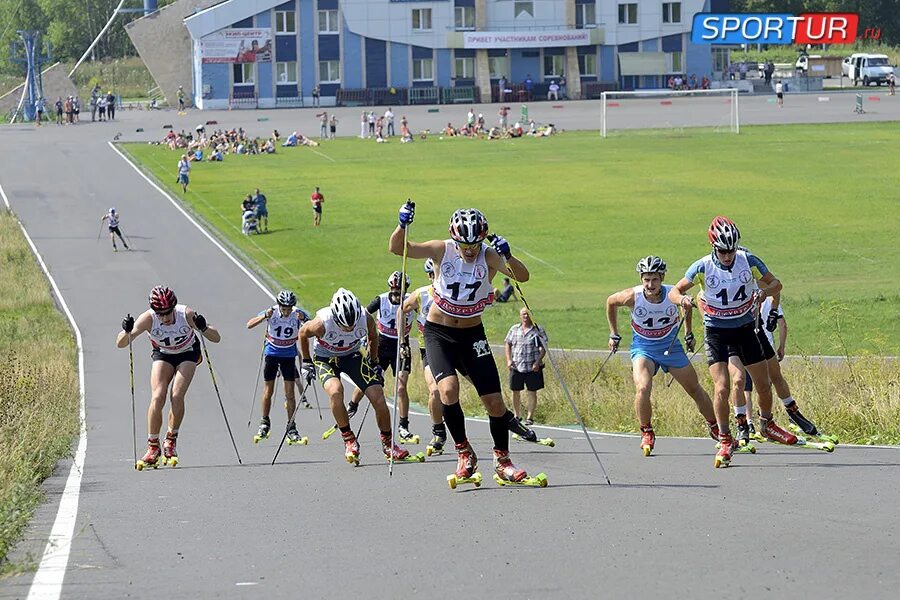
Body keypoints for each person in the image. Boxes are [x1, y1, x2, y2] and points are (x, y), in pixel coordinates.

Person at [389, 203, 543, 484]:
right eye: (464, 243)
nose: (470, 249)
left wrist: (508, 255)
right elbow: (400, 249)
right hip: (440, 333)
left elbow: (523, 276)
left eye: (475, 243)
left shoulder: (489, 256)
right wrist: (401, 225)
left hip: (472, 335)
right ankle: (464, 453)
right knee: (447, 390)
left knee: (495, 403)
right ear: (454, 238)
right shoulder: (441, 249)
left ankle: (502, 461)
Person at [668, 216, 797, 469]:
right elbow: (676, 290)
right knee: (722, 387)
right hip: (717, 332)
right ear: (713, 247)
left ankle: (767, 424)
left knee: (762, 383)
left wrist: (764, 292)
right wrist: (681, 300)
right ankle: (726, 439)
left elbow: (776, 283)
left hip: (745, 328)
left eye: (731, 250)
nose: (728, 256)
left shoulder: (748, 261)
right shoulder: (703, 266)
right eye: (723, 251)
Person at [607, 256, 719, 456]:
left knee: (694, 388)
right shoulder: (632, 296)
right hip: (643, 348)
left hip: (671, 347)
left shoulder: (671, 293)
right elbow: (610, 302)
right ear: (642, 279)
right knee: (642, 387)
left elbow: (685, 306)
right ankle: (646, 431)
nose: (650, 284)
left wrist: (688, 333)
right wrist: (613, 333)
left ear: (662, 278)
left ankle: (716, 428)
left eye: (655, 279)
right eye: (646, 279)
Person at [298, 288, 413, 464]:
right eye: (345, 326)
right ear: (335, 318)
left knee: (378, 396)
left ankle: (389, 444)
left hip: (352, 356)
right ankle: (349, 439)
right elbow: (303, 334)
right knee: (336, 391)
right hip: (325, 359)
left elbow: (373, 337)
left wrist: (374, 362)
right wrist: (306, 361)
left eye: (352, 325)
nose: (349, 328)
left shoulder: (364, 318)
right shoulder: (321, 323)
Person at [117, 286, 220, 468]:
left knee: (176, 395)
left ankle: (170, 441)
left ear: (173, 307)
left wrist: (203, 327)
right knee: (157, 396)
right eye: (160, 314)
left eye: (167, 313)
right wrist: (126, 331)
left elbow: (216, 337)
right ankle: (153, 447)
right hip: (163, 354)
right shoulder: (148, 318)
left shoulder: (186, 314)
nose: (164, 318)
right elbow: (121, 344)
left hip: (188, 353)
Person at [730, 292, 836, 446]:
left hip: (759, 335)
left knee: (763, 381)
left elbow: (776, 286)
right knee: (743, 381)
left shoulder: (757, 279)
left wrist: (772, 308)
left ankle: (781, 417)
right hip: (738, 334)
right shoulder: (729, 280)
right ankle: (745, 425)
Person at [347, 271, 418, 443]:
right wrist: (363, 336)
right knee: (368, 380)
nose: (395, 293)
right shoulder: (381, 299)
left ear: (405, 289)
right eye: (392, 289)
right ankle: (352, 405)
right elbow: (363, 315)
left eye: (398, 290)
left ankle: (403, 425)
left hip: (402, 345)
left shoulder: (412, 300)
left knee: (401, 387)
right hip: (381, 344)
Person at [246, 290, 311, 444]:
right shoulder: (272, 311)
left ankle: (291, 426)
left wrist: (305, 319)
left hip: (288, 356)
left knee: (290, 393)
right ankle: (264, 422)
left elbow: (313, 326)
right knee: (268, 390)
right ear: (279, 305)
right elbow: (249, 324)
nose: (287, 311)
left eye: (289, 308)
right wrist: (264, 316)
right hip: (272, 354)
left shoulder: (297, 313)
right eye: (284, 308)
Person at [401, 258, 447, 455]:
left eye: (437, 274)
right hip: (428, 349)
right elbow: (401, 310)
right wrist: (403, 339)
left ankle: (508, 420)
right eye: (431, 275)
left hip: (454, 347)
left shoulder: (452, 292)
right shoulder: (420, 295)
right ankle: (438, 432)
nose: (434, 278)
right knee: (435, 391)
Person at [505, 307, 547, 426]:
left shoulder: (537, 330)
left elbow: (544, 347)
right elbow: (508, 344)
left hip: (532, 365)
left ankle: (530, 416)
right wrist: (509, 360)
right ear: (520, 316)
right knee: (515, 391)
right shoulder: (514, 329)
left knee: (532, 391)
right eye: (523, 314)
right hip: (517, 365)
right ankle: (516, 415)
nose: (526, 316)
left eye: (528, 314)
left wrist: (538, 361)